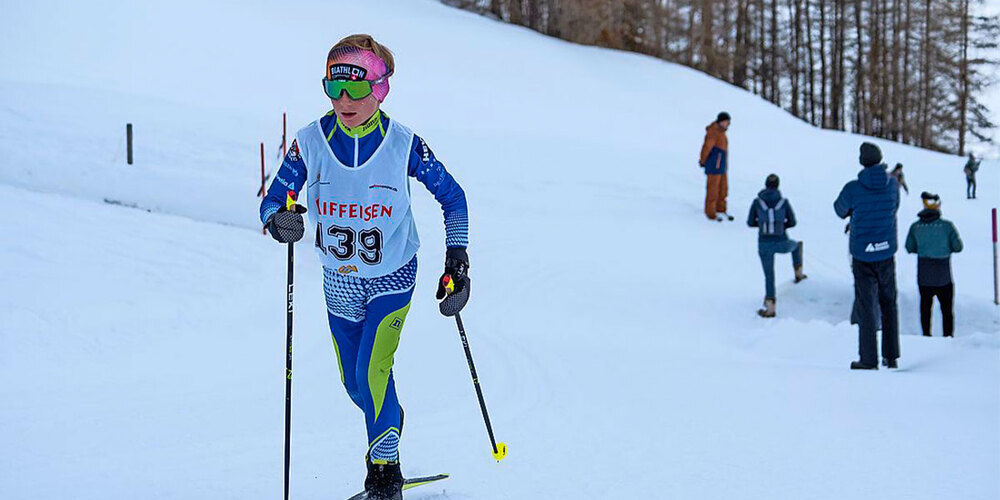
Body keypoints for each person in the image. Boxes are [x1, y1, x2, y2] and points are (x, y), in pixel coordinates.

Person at [259, 34, 470, 500]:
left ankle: (383, 469)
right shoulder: (309, 143)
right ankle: (387, 427)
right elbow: (272, 202)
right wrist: (280, 221)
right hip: (338, 282)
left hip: (392, 276)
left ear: (380, 89)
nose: (343, 100)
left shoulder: (403, 145)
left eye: (355, 89)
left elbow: (453, 198)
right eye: (333, 87)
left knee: (374, 371)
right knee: (355, 382)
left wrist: (458, 260)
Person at [834, 142, 901, 370]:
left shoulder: (853, 188)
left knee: (866, 305)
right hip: (886, 251)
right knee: (889, 303)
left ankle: (868, 359)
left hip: (862, 254)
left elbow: (838, 209)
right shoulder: (892, 185)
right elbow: (895, 207)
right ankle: (891, 356)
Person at [747, 174, 807, 317]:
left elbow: (750, 222)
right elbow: (793, 222)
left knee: (769, 275)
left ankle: (770, 306)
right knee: (796, 246)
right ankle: (798, 274)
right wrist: (781, 226)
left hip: (763, 244)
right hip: (782, 242)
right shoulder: (783, 202)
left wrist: (762, 225)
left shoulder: (757, 202)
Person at [905, 192, 963, 337]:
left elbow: (909, 247)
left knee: (925, 309)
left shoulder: (915, 227)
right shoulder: (947, 226)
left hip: (924, 276)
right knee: (947, 310)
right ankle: (948, 337)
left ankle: (926, 337)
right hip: (944, 277)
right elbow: (958, 247)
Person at [699, 111, 733, 221]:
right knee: (713, 189)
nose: (727, 124)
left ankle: (720, 208)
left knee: (723, 189)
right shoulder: (713, 132)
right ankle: (710, 212)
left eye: (728, 122)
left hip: (722, 166)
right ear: (720, 121)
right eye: (725, 122)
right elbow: (706, 147)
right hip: (714, 165)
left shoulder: (722, 133)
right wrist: (703, 160)